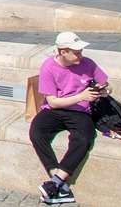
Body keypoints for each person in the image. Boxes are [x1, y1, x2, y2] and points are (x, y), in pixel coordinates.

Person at [29, 32, 110, 204]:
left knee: (83, 138)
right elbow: (53, 102)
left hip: (80, 112)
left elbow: (106, 84)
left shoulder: (88, 63)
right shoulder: (49, 66)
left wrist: (103, 91)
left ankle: (55, 183)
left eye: (80, 50)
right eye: (76, 52)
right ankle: (59, 184)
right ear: (63, 52)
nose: (80, 54)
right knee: (37, 133)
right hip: (55, 109)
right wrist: (81, 96)